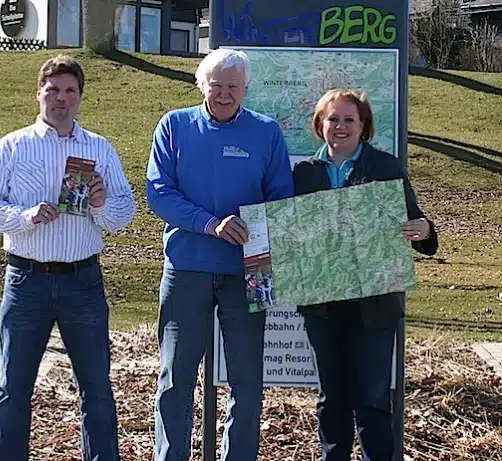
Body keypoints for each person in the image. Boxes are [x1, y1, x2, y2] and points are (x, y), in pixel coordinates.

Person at [0, 54, 136, 461]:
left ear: (80, 98)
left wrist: (100, 203)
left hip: (83, 283)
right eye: (53, 90)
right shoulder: (13, 146)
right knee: (14, 388)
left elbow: (123, 213)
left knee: (96, 388)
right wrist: (24, 217)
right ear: (39, 94)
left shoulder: (99, 148)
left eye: (69, 91)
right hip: (27, 281)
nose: (60, 99)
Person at [146, 48, 294, 461]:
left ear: (246, 89)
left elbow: (281, 198)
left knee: (247, 382)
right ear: (201, 85)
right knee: (175, 378)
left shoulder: (266, 132)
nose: (225, 94)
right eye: (217, 85)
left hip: (249, 271)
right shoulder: (174, 126)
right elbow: (159, 194)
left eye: (233, 87)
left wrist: (262, 234)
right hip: (186, 267)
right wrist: (212, 224)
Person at [292, 89, 438, 461]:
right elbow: (290, 236)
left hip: (374, 307)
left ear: (363, 126)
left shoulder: (385, 168)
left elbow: (417, 227)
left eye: (348, 120)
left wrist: (423, 229)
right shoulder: (303, 174)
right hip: (322, 306)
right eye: (333, 119)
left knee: (373, 399)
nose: (340, 127)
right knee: (331, 398)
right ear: (320, 125)